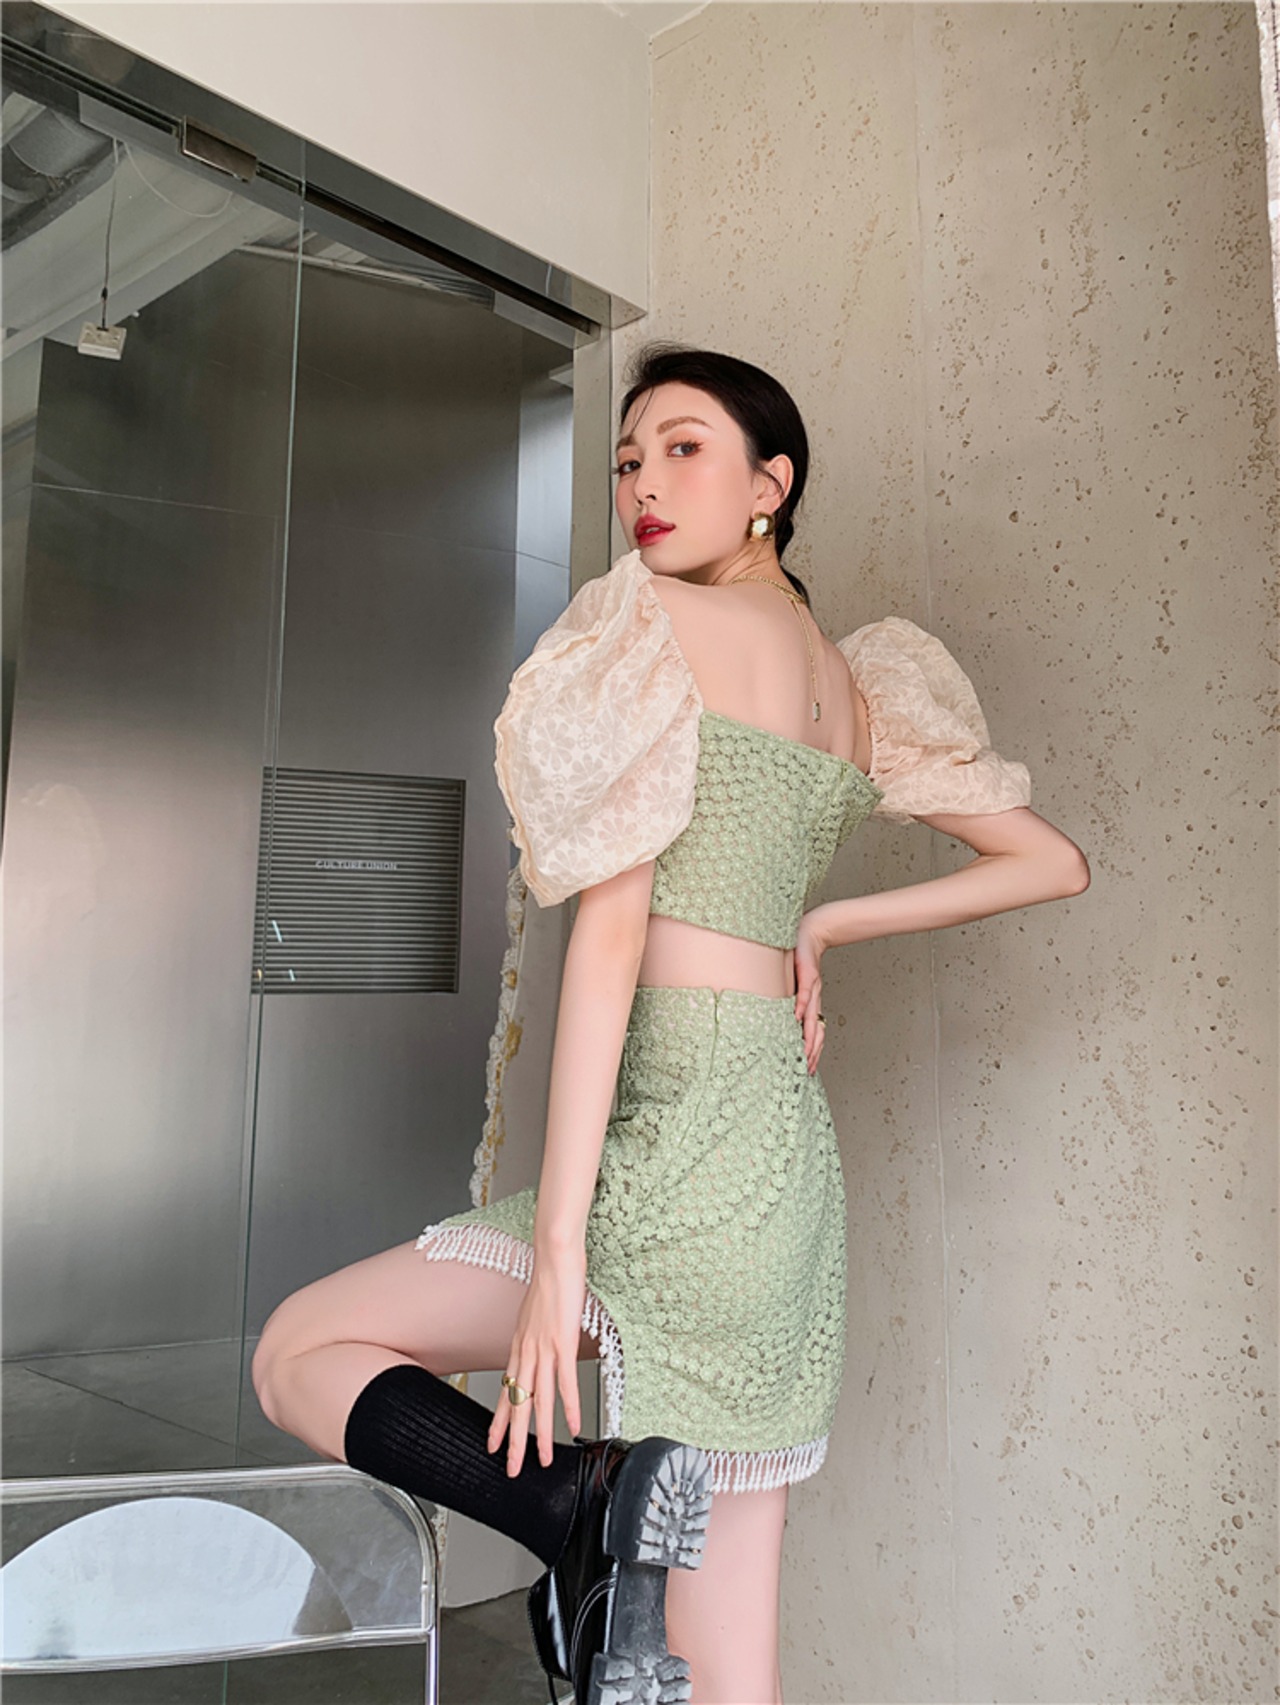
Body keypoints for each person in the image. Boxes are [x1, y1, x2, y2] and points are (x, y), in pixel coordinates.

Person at [252, 341, 1090, 1705]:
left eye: (685, 448)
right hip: (780, 1175)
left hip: (677, 1149)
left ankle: (577, 1508)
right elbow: (1050, 860)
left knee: (300, 1349)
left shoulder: (654, 625)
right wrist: (824, 924)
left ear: (772, 482)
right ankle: (600, 1510)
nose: (643, 482)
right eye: (628, 458)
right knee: (728, 1672)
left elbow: (613, 941)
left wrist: (559, 1249)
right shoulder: (856, 687)